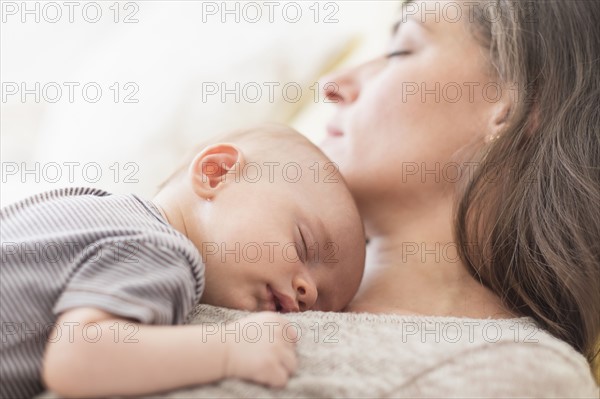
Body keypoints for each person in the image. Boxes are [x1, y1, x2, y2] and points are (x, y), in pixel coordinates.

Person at [318, 0, 599, 388]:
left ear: (514, 106)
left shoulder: (518, 375)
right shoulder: (232, 278)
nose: (331, 84)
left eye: (401, 50)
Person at [0, 125, 366, 398]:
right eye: (304, 244)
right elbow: (78, 357)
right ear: (216, 172)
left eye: (322, 305)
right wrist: (230, 350)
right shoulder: (166, 253)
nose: (308, 291)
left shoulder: (96, 207)